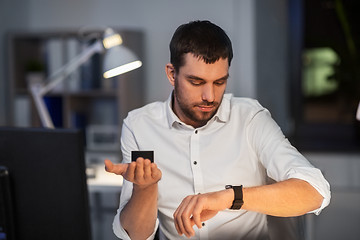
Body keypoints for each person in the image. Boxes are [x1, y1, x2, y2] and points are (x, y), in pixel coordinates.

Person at [105, 20, 331, 240]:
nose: (209, 97)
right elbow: (136, 235)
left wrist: (229, 197)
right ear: (172, 74)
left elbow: (315, 191)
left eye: (219, 82)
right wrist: (145, 189)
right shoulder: (140, 126)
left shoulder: (250, 118)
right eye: (196, 82)